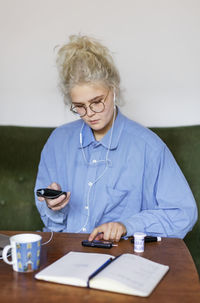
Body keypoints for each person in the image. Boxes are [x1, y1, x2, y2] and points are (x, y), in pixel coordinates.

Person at [35, 34, 197, 242]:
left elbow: (183, 213)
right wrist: (54, 208)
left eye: (97, 101)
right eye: (80, 107)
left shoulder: (148, 146)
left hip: (121, 259)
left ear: (113, 90)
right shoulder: (58, 141)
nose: (90, 113)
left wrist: (126, 226)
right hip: (65, 254)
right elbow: (51, 223)